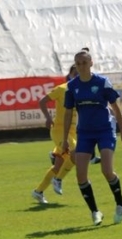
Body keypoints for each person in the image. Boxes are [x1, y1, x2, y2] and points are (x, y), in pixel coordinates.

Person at [61, 50, 122, 225]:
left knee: (107, 170)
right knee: (80, 176)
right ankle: (95, 212)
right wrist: (65, 139)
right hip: (84, 133)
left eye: (84, 62)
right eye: (78, 63)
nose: (81, 66)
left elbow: (115, 108)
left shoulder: (102, 82)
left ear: (91, 63)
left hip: (105, 130)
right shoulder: (72, 86)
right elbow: (68, 113)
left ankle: (120, 204)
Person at [32, 65, 79, 204]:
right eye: (75, 73)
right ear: (69, 75)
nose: (78, 75)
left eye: (80, 73)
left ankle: (38, 191)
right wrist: (48, 118)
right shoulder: (61, 89)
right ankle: (58, 179)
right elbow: (42, 101)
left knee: (58, 166)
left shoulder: (82, 91)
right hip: (59, 130)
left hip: (72, 132)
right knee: (76, 153)